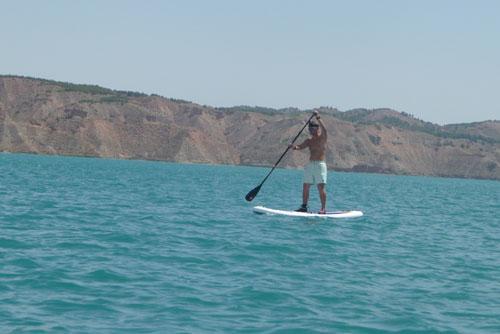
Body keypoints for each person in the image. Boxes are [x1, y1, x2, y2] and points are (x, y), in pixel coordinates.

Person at [289, 111, 328, 214]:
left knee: (320, 187)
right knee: (306, 186)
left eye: (312, 128)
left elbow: (325, 129)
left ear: (317, 128)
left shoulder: (322, 138)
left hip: (320, 165)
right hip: (310, 165)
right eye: (309, 128)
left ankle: (323, 209)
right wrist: (293, 147)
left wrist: (318, 117)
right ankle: (304, 207)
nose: (310, 130)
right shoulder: (309, 140)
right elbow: (300, 147)